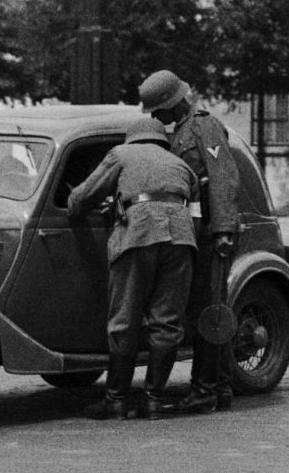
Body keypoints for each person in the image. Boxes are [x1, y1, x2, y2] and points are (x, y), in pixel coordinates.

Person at [66, 115, 202, 419]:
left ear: (132, 139)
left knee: (124, 317)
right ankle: (155, 399)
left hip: (137, 235)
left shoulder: (120, 155)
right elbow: (188, 200)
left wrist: (77, 206)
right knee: (167, 320)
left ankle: (116, 399)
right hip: (180, 238)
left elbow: (83, 197)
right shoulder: (180, 165)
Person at [139, 69, 242, 412]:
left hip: (214, 232)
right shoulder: (181, 131)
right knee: (209, 309)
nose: (155, 117)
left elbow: (222, 177)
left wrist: (224, 230)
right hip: (198, 230)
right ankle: (222, 387)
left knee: (207, 311)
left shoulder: (204, 126)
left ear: (173, 103)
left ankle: (205, 390)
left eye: (158, 110)